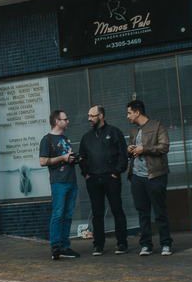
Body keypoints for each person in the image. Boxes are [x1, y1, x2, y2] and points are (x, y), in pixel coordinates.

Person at [79, 105, 129, 256]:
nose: (89, 119)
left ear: (100, 116)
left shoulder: (114, 132)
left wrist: (116, 172)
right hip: (93, 179)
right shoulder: (86, 137)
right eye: (88, 116)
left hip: (110, 178)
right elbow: (82, 157)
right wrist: (86, 173)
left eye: (92, 116)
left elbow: (123, 154)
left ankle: (122, 244)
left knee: (117, 210)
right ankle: (98, 245)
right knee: (97, 213)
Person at [126, 99, 172, 256]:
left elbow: (164, 146)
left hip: (155, 175)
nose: (127, 116)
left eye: (129, 113)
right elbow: (132, 152)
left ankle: (166, 244)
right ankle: (146, 245)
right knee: (142, 212)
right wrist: (129, 149)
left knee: (160, 211)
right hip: (137, 177)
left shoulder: (157, 126)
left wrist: (144, 149)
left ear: (137, 112)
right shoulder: (133, 131)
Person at [39, 110, 80, 260]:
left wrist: (75, 158)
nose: (68, 121)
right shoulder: (47, 139)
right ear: (57, 121)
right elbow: (43, 161)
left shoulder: (65, 139)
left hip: (71, 180)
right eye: (65, 119)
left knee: (68, 215)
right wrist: (62, 158)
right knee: (58, 214)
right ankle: (55, 247)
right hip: (59, 182)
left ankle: (65, 246)